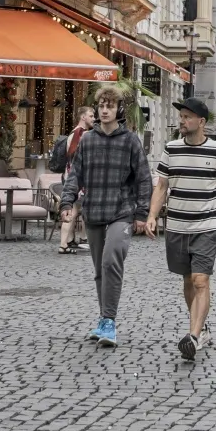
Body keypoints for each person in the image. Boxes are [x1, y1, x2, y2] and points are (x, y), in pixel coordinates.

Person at [58, 85, 152, 347]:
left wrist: (141, 213)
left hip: (121, 212)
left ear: (119, 109)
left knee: (111, 261)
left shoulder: (130, 140)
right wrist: (67, 201)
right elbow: (75, 174)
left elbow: (144, 179)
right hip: (94, 211)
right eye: (101, 106)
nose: (105, 110)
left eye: (110, 105)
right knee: (100, 270)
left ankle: (109, 321)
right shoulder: (88, 140)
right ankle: (103, 319)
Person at [146, 98, 216, 361]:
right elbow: (161, 186)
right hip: (176, 225)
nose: (182, 121)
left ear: (201, 122)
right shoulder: (171, 149)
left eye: (187, 117)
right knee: (187, 280)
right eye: (181, 116)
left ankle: (193, 336)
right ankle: (202, 328)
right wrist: (152, 215)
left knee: (200, 280)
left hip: (205, 225)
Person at [52, 104, 94, 253]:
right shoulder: (79, 133)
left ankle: (69, 241)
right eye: (91, 116)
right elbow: (74, 153)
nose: (93, 119)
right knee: (72, 210)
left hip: (72, 175)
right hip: (76, 177)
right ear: (83, 117)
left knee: (74, 209)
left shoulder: (78, 132)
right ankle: (63, 244)